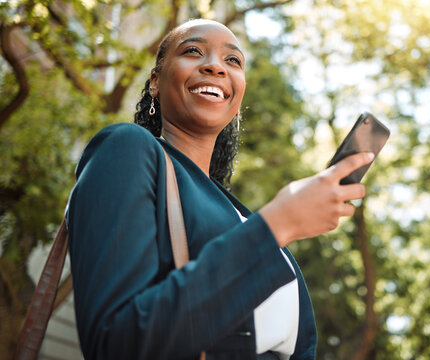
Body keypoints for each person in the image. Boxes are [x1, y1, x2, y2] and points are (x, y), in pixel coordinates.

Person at [66, 19, 372, 359]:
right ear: (155, 81)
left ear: (238, 98)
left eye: (233, 61)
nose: (214, 65)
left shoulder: (245, 218)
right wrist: (278, 224)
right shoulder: (126, 149)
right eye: (193, 51)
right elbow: (117, 343)